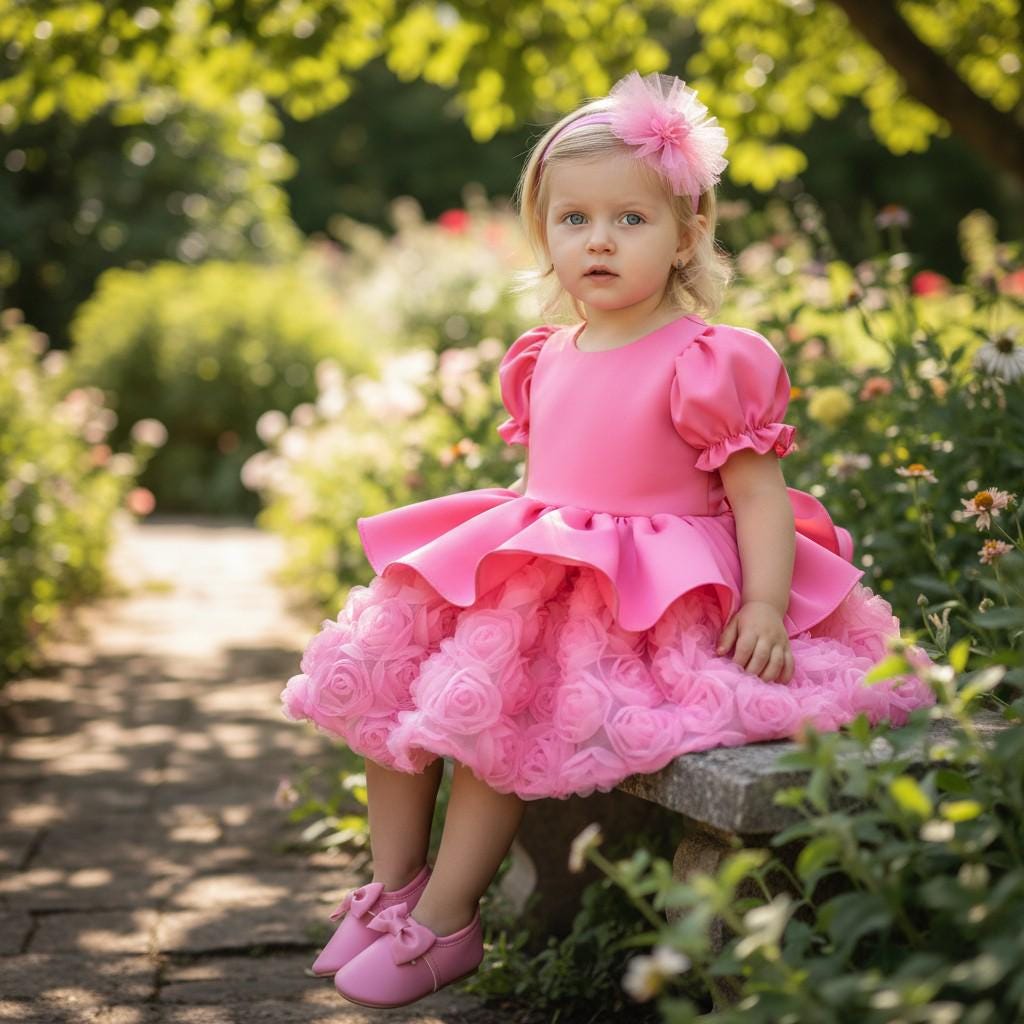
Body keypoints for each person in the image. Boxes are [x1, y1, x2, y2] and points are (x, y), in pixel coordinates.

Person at [279, 70, 935, 1010]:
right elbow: (547, 484)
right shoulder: (544, 354)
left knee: (486, 715)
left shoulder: (708, 358)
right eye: (574, 219)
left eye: (630, 220)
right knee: (388, 668)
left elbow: (758, 498)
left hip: (646, 596)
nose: (598, 239)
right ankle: (392, 888)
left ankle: (450, 922)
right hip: (540, 561)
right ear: (544, 232)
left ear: (687, 234)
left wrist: (761, 603)